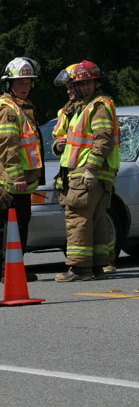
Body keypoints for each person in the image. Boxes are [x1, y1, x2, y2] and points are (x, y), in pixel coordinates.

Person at [54, 60, 120, 282]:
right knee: (96, 219)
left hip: (86, 172)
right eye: (80, 85)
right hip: (93, 173)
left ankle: (80, 269)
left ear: (96, 83)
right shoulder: (82, 107)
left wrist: (90, 168)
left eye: (87, 84)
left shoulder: (97, 106)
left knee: (78, 218)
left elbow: (103, 139)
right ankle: (100, 264)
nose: (83, 88)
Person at [0, 57, 45, 282]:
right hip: (11, 182)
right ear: (9, 85)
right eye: (19, 83)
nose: (24, 87)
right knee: (13, 226)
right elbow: (8, 145)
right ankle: (9, 270)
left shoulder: (22, 107)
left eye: (27, 83)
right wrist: (16, 176)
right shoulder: (9, 110)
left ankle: (13, 268)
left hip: (21, 182)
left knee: (18, 224)